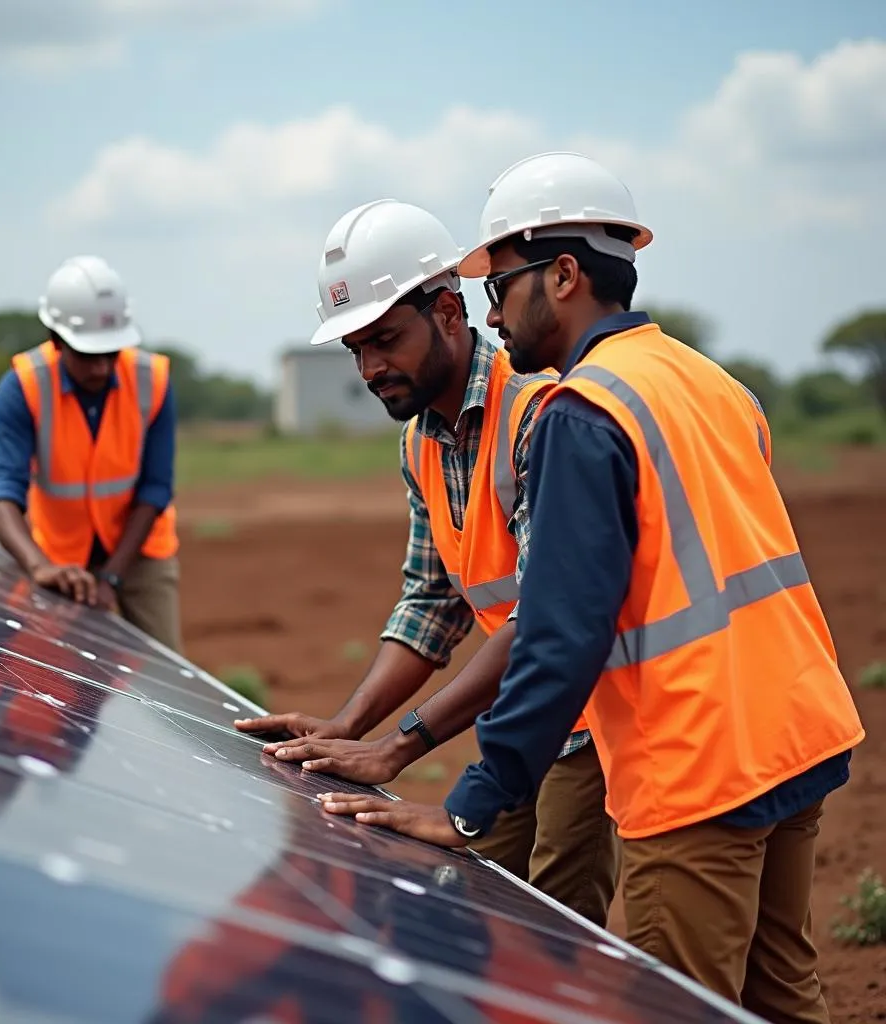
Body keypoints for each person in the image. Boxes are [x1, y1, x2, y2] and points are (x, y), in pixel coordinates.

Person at [317, 152, 865, 1021]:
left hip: (697, 767)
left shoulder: (579, 413)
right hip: (798, 727)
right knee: (779, 995)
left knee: (672, 1006)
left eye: (501, 285)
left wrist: (467, 808)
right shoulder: (710, 382)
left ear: (564, 274)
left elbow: (559, 632)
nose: (494, 312)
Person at [235, 198, 619, 927]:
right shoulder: (422, 443)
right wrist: (348, 728)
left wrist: (396, 748)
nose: (370, 368)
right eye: (355, 349)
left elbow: (547, 613)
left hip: (588, 715)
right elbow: (431, 605)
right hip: (519, 717)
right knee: (490, 912)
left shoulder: (542, 413)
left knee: (557, 935)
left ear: (449, 312)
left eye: (384, 340)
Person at [0, 254, 182, 652]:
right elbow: (2, 489)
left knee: (166, 668)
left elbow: (155, 488)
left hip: (140, 553)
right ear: (56, 340)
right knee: (65, 678)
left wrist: (111, 577)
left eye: (113, 352)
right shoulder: (23, 386)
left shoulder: (152, 380)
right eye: (89, 354)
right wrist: (39, 568)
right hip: (60, 560)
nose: (103, 368)